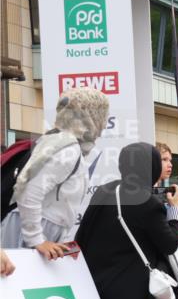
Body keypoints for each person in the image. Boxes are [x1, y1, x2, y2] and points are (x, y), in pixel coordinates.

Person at [76, 143, 178, 299]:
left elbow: (81, 238)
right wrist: (176, 213)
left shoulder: (104, 191)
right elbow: (170, 243)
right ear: (153, 167)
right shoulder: (148, 202)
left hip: (94, 295)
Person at [1, 88, 110, 259]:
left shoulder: (59, 142)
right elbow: (29, 191)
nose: (104, 123)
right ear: (91, 115)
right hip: (29, 233)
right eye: (103, 114)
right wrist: (37, 239)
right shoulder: (67, 148)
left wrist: (59, 240)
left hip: (35, 229)